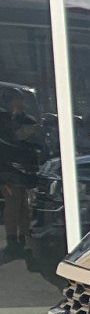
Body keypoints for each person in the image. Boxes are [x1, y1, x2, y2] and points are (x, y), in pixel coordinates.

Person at [0, 89, 45, 255]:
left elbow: (36, 141)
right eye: (16, 100)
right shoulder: (4, 119)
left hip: (24, 168)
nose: (19, 103)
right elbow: (11, 138)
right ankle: (13, 239)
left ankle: (24, 237)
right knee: (13, 203)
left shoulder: (26, 119)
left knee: (24, 205)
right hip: (7, 169)